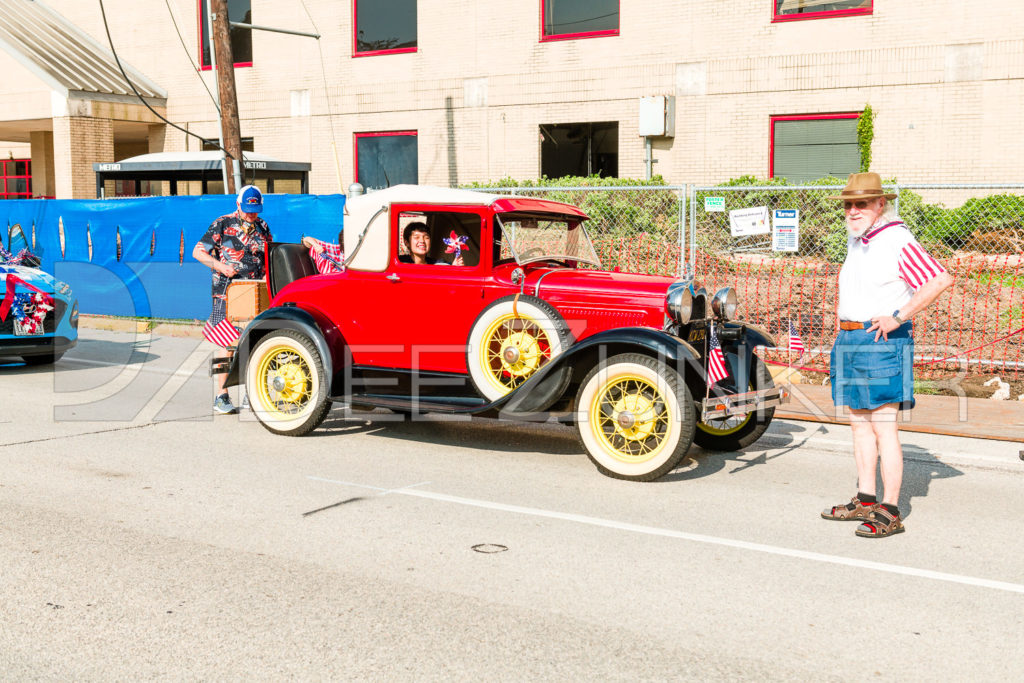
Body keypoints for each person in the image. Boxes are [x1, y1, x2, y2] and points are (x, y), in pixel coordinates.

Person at [821, 172, 953, 538]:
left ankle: (890, 510)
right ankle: (865, 498)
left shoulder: (896, 238)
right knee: (859, 424)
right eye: (848, 204)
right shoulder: (859, 240)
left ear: (881, 204)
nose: (852, 210)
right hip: (851, 339)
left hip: (880, 340)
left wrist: (899, 317)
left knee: (883, 426)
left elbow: (940, 279)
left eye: (861, 203)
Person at [192, 185, 273, 414]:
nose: (251, 215)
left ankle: (252, 394)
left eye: (255, 210)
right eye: (247, 210)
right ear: (238, 205)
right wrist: (220, 266)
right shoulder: (222, 224)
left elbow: (267, 255)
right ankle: (221, 395)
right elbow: (198, 252)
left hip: (255, 291)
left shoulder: (262, 226)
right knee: (227, 344)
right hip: (227, 291)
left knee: (253, 343)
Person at [398, 222, 464, 266]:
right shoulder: (399, 262)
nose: (422, 241)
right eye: (416, 237)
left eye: (426, 237)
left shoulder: (439, 264)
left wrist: (455, 268)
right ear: (406, 243)